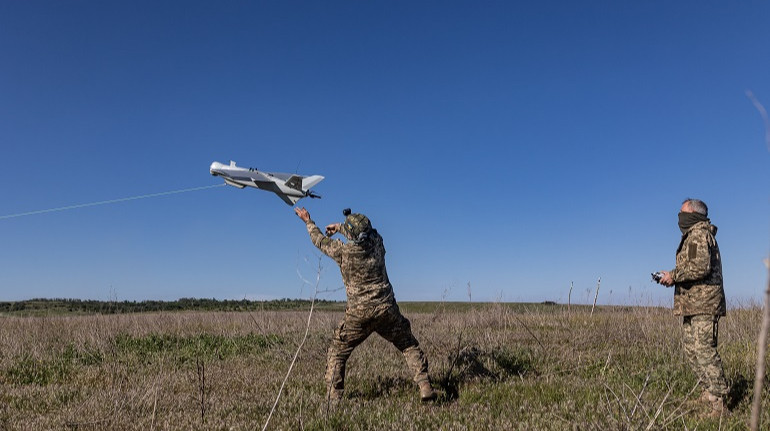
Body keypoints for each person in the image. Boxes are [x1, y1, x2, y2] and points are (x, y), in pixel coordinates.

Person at [294, 207, 437, 402]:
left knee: (337, 352)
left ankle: (334, 398)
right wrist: (341, 227)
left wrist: (308, 221)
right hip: (386, 308)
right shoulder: (378, 243)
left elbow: (319, 240)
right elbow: (366, 233)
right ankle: (424, 385)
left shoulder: (343, 251)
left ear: (351, 235)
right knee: (408, 345)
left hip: (358, 315)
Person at [656, 198, 729, 417]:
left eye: (683, 213)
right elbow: (692, 266)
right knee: (692, 350)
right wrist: (672, 275)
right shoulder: (693, 235)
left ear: (694, 214)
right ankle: (708, 391)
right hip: (692, 304)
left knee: (705, 351)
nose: (679, 217)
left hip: (704, 304)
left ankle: (720, 402)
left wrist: (673, 276)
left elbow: (699, 267)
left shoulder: (698, 234)